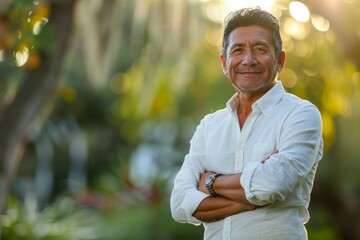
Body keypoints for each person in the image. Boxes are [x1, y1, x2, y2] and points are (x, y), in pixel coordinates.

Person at [170, 7, 323, 240]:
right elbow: (180, 203)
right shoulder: (209, 126)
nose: (248, 60)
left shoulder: (300, 115)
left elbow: (271, 185)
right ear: (224, 63)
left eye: (260, 49)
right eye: (238, 50)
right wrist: (252, 199)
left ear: (280, 60)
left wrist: (210, 183)